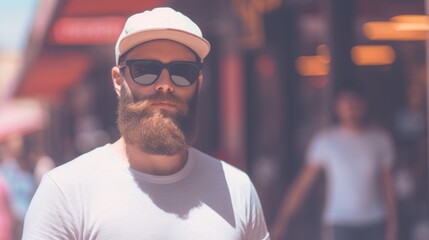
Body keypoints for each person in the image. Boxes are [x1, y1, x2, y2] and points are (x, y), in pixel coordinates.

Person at [22, 7, 269, 240]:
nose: (165, 84)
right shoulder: (66, 192)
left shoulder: (237, 190)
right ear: (118, 81)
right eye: (146, 69)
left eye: (183, 71)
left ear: (198, 84)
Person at [270, 89, 397, 240]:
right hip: (339, 222)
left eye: (354, 104)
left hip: (374, 220)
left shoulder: (380, 140)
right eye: (346, 105)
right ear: (337, 107)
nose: (350, 110)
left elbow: (388, 186)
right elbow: (302, 185)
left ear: (364, 105)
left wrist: (393, 226)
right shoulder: (325, 141)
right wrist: (281, 222)